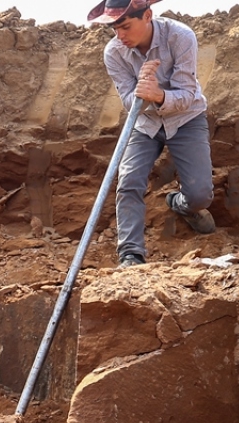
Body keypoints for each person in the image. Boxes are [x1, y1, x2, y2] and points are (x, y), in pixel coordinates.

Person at [89, 0, 216, 268]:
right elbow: (127, 100)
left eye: (125, 27)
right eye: (114, 29)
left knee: (200, 195)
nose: (120, 36)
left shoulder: (180, 37)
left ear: (147, 16)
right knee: (129, 181)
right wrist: (140, 94)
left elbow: (186, 93)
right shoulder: (114, 53)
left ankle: (179, 203)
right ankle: (131, 255)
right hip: (144, 123)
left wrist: (157, 94)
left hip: (186, 119)